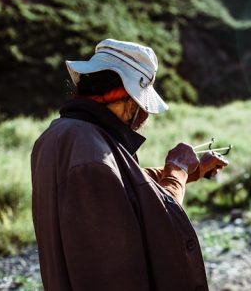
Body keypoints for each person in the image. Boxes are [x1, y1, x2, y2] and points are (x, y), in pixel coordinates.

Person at [31, 39, 228, 291]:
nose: (144, 116)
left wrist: (192, 170)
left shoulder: (63, 135)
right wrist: (176, 170)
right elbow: (158, 223)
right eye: (143, 106)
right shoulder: (90, 155)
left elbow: (124, 190)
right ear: (129, 100)